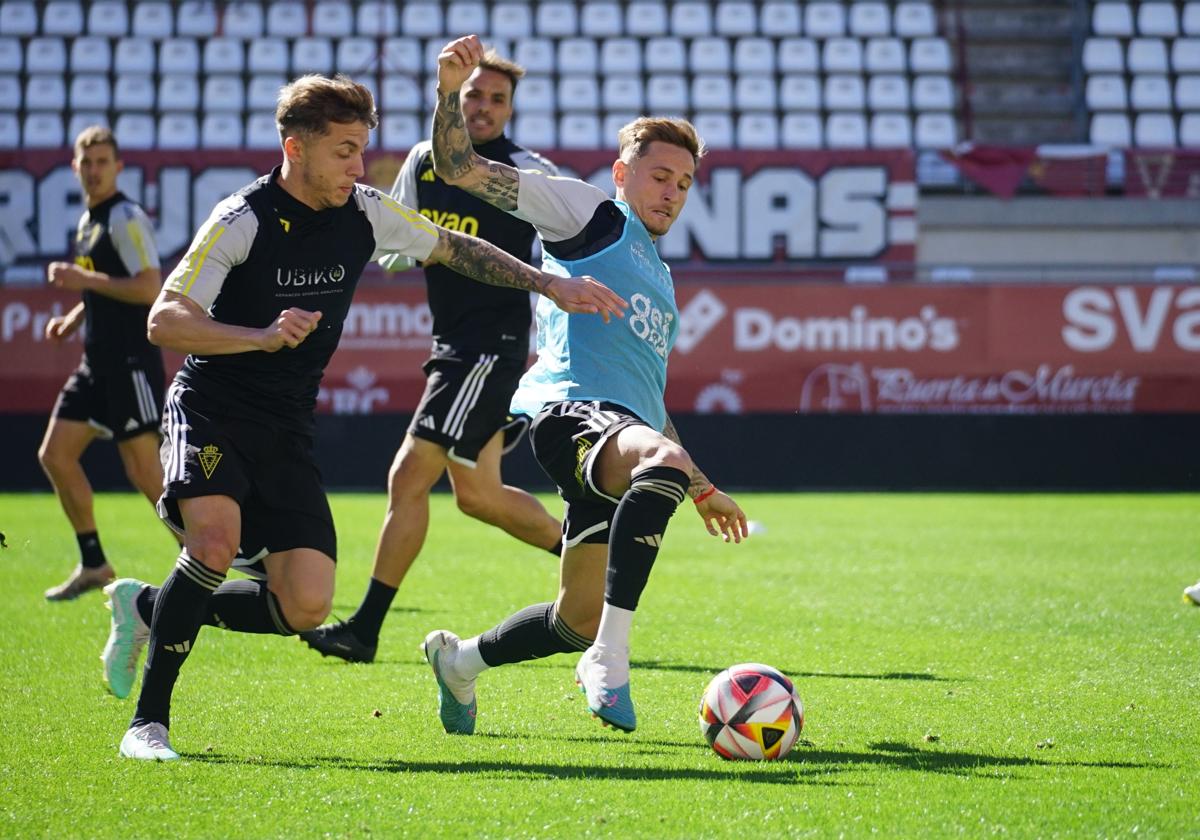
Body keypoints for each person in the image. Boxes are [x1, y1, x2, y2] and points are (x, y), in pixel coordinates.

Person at [98, 73, 626, 761]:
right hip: (212, 410)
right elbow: (166, 321)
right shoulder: (242, 218)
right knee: (214, 544)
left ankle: (144, 608)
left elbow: (453, 247)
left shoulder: (366, 211)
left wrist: (549, 283)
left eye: (363, 149)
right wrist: (257, 336)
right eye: (345, 150)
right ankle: (148, 725)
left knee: (304, 606)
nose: (359, 165)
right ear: (295, 148)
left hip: (286, 428)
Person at [419, 36, 749, 736]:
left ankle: (462, 663)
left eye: (684, 184)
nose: (673, 192)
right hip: (569, 414)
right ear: (622, 173)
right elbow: (457, 166)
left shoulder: (659, 276)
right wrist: (450, 92)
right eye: (660, 176)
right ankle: (611, 660)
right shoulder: (590, 215)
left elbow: (651, 408)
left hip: (617, 434)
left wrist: (703, 485)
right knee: (654, 468)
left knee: (572, 619)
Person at [300, 50, 564, 664]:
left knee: (407, 476)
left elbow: (567, 249)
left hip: (486, 349)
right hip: (453, 346)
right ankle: (592, 560)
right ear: (455, 97)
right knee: (480, 497)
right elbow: (392, 249)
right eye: (474, 95)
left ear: (511, 109)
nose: (484, 107)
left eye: (497, 99)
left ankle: (364, 630)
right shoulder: (423, 160)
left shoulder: (528, 173)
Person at [38, 126, 168, 601]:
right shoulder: (88, 221)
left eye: (102, 162)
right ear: (75, 167)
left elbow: (149, 287)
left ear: (118, 167)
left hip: (131, 360)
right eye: (86, 162)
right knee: (54, 455)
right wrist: (74, 319)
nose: (94, 170)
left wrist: (80, 282)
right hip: (97, 361)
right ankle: (94, 562)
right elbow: (104, 283)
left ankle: (203, 563)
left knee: (145, 473)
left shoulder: (124, 218)